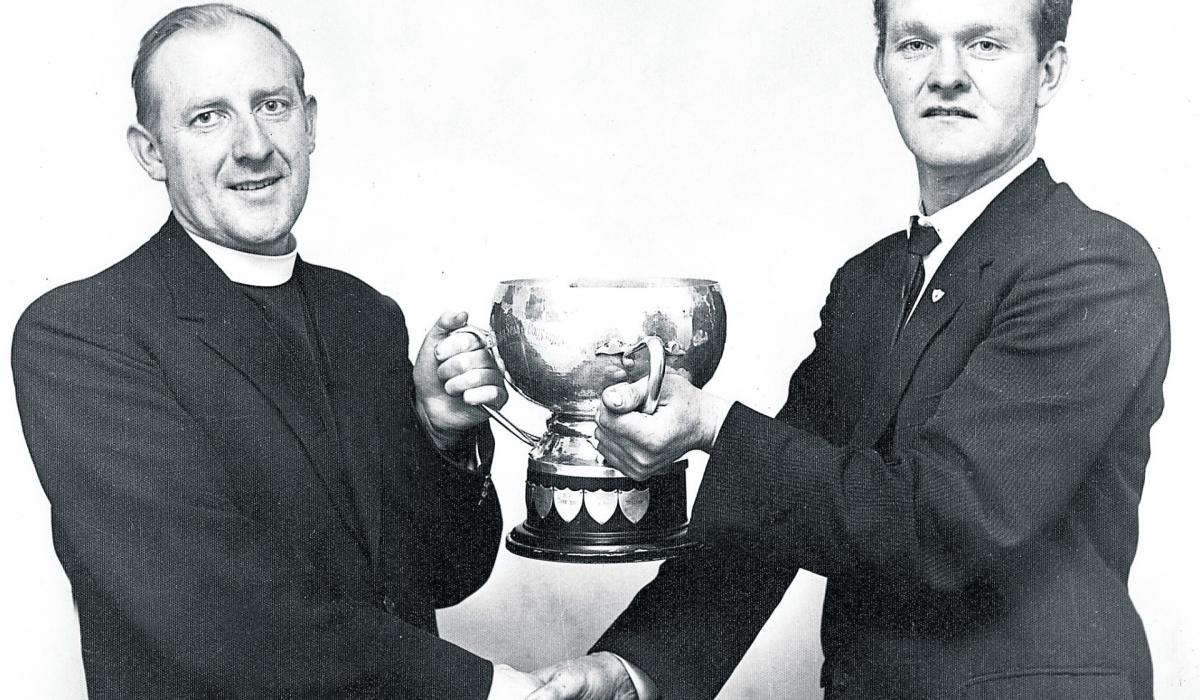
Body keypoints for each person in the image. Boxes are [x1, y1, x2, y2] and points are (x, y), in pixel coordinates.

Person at [529, 0, 1170, 698]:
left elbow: (942, 525)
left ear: (1048, 71)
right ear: (882, 68)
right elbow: (769, 513)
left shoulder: (1093, 265)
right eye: (915, 43)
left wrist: (712, 425)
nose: (946, 74)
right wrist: (633, 668)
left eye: (985, 44)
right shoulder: (869, 282)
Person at [11, 5, 540, 698]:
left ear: (309, 123)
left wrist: (442, 437)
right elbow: (219, 614)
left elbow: (445, 577)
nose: (254, 145)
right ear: (150, 152)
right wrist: (494, 690)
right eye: (208, 117)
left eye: (272, 105)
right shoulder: (82, 332)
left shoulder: (366, 316)